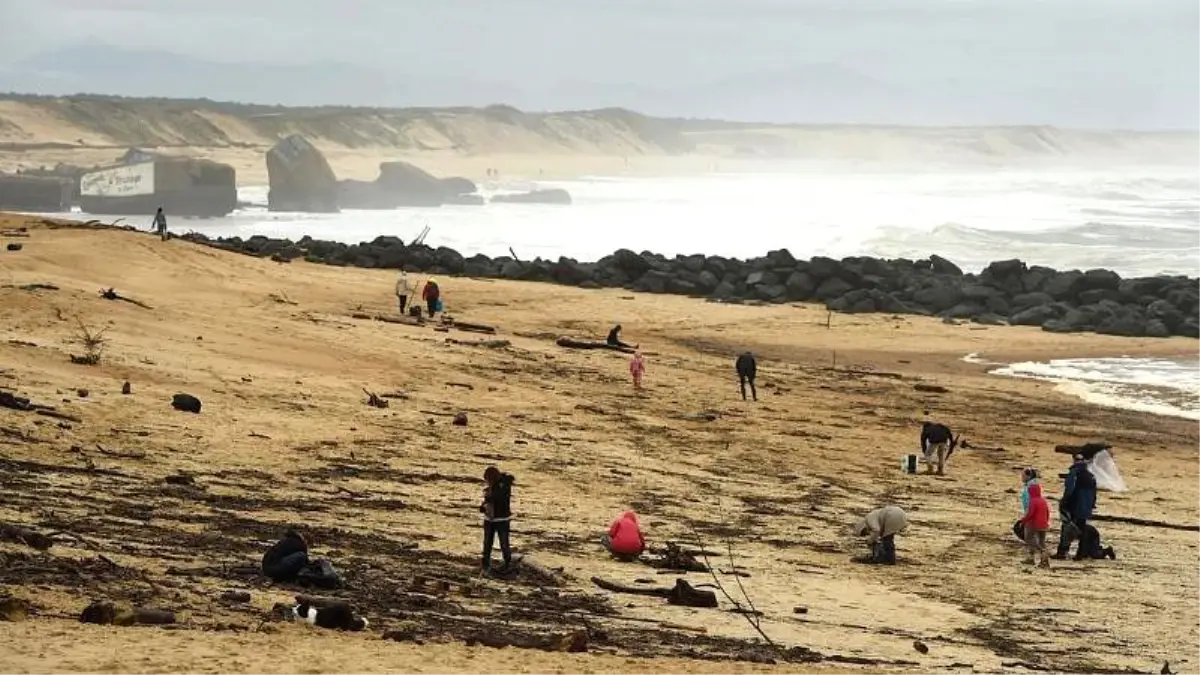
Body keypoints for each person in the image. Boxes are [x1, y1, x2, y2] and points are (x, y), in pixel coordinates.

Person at [1055, 454, 1098, 560]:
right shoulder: (1091, 476)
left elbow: (1069, 490)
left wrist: (1064, 503)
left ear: (1074, 460)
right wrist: (1091, 506)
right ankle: (1080, 554)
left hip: (1074, 507)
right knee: (1082, 530)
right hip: (1085, 508)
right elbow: (1094, 494)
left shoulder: (1074, 473)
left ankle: (1062, 552)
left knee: (1067, 528)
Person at [480, 466, 514, 573]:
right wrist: (483, 506)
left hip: (502, 519)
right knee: (487, 543)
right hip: (489, 519)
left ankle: (507, 563)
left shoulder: (504, 485)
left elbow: (499, 497)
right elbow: (488, 501)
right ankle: (485, 564)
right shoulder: (491, 487)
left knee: (504, 543)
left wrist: (488, 497)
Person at [1019, 482, 1052, 567]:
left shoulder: (1033, 501)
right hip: (1044, 524)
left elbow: (1030, 514)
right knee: (1042, 541)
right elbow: (1047, 512)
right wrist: (1046, 522)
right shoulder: (1043, 500)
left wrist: (1023, 520)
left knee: (1029, 539)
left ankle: (1040, 552)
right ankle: (1043, 561)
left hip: (1034, 524)